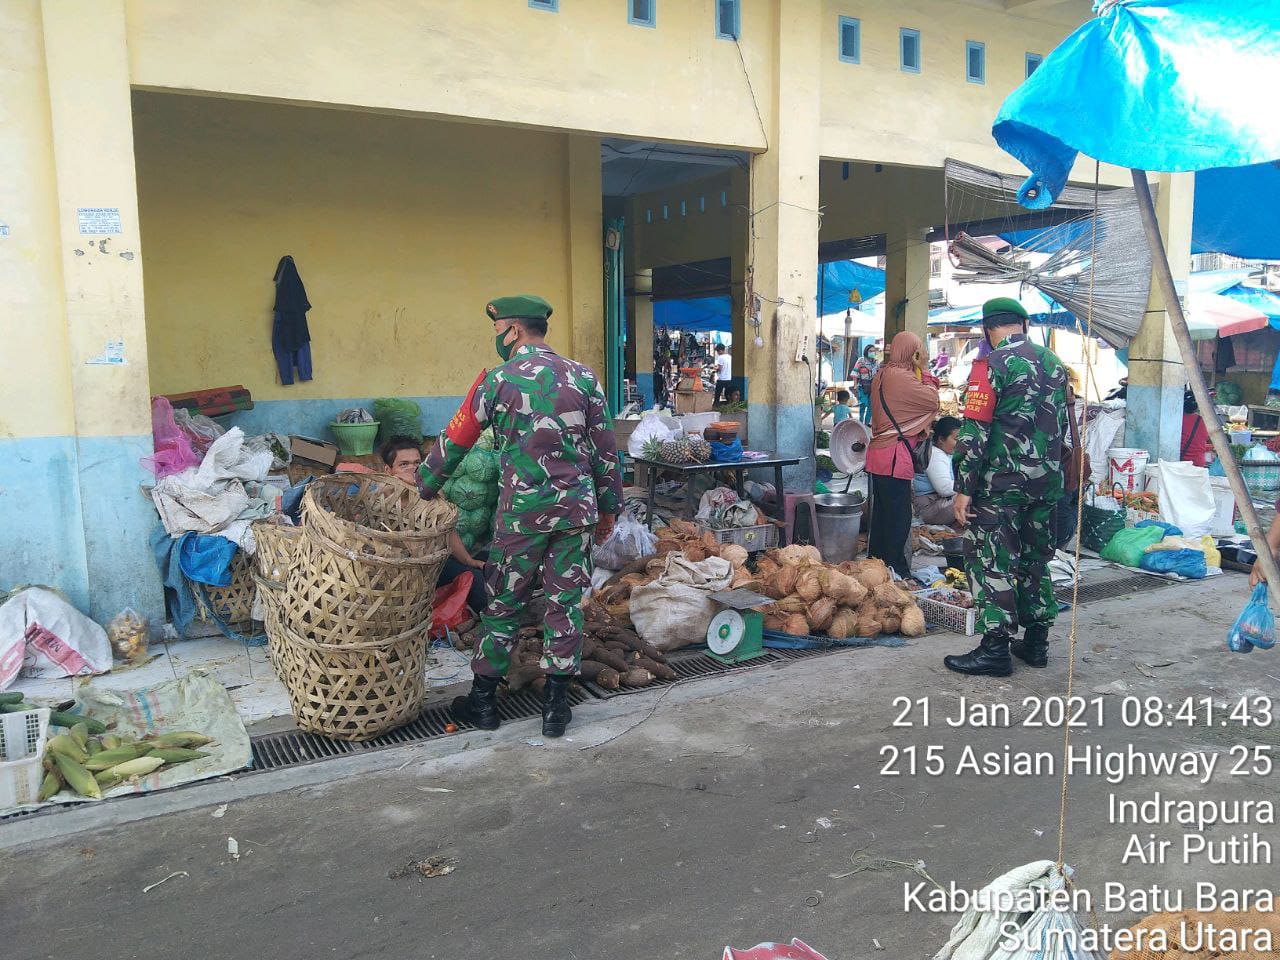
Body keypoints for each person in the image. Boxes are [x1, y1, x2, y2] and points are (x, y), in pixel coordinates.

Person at [421, 294, 623, 739]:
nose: (498, 339)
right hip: (576, 512)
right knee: (564, 605)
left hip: (521, 517)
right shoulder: (585, 377)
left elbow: (455, 440)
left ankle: (483, 704)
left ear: (512, 331)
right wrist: (609, 510)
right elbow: (606, 452)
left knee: (502, 606)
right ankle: (556, 708)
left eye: (498, 332)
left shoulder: (496, 380)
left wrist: (422, 488)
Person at [945, 297, 1068, 677]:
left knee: (992, 562)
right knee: (1035, 560)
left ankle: (995, 648)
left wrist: (964, 487)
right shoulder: (1054, 363)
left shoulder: (991, 365)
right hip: (1046, 484)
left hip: (1000, 486)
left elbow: (975, 431)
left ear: (987, 329)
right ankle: (1036, 643)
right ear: (1024, 323)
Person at [380, 436, 487, 614]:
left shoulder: (432, 494)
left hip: (433, 563)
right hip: (403, 574)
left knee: (487, 561)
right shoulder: (381, 497)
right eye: (403, 464)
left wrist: (469, 560)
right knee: (473, 580)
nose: (412, 469)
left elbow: (448, 532)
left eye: (417, 463)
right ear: (388, 470)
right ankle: (495, 622)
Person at [867, 332, 940, 579]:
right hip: (894, 457)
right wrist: (926, 368)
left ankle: (876, 566)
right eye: (918, 350)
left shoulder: (882, 374)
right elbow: (931, 401)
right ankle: (896, 570)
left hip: (880, 455)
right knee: (899, 518)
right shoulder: (901, 377)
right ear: (912, 351)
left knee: (883, 516)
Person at [913, 415, 962, 526]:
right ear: (941, 439)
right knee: (967, 498)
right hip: (927, 508)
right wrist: (969, 485)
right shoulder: (936, 455)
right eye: (956, 439)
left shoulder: (944, 452)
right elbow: (944, 489)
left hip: (934, 503)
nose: (961, 444)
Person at [1181, 389, 1210, 467]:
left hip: (1180, 464)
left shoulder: (1177, 420)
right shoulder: (1202, 421)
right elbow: (1202, 439)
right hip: (1198, 463)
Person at [852, 344, 880, 424]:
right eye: (870, 351)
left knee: (871, 406)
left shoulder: (875, 362)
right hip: (862, 386)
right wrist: (855, 385)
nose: (872, 352)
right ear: (866, 351)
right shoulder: (861, 360)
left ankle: (867, 423)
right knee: (863, 404)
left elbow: (878, 373)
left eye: (873, 351)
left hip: (873, 386)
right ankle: (860, 422)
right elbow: (855, 373)